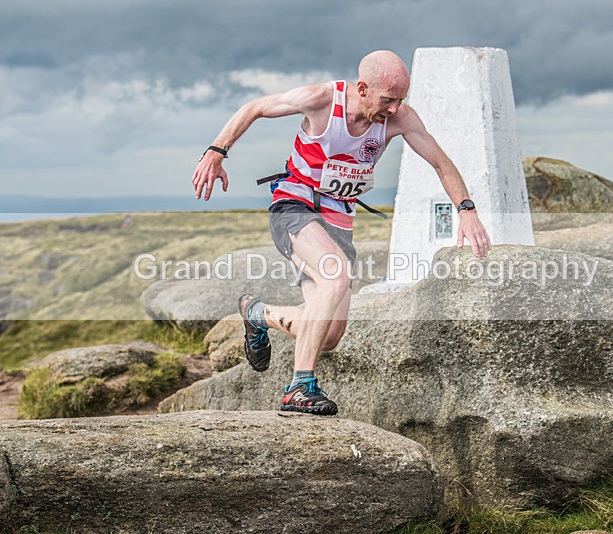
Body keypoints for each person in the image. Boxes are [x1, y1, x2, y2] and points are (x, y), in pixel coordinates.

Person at [192, 50, 491, 416]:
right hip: (296, 205)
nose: (395, 109)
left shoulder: (399, 119)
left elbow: (441, 163)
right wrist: (216, 151)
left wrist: (467, 210)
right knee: (334, 274)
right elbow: (254, 107)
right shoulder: (321, 100)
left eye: (401, 100)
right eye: (388, 99)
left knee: (329, 335)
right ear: (362, 88)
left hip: (338, 220)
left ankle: (258, 314)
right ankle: (300, 386)